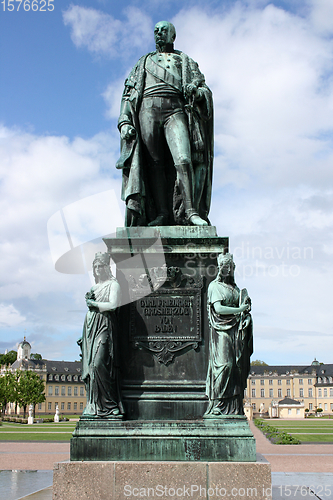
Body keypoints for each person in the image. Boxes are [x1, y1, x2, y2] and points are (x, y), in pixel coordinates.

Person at [116, 21, 213, 227]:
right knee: (154, 163)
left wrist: (197, 92)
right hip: (147, 110)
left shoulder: (185, 61)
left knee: (184, 158)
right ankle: (160, 213)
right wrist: (125, 121)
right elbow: (129, 94)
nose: (159, 34)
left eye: (163, 31)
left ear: (173, 36)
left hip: (176, 109)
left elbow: (205, 91)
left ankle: (191, 212)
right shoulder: (143, 62)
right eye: (156, 31)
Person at [204, 253, 253, 416]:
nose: (229, 271)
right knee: (226, 365)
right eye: (226, 268)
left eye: (231, 268)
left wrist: (246, 318)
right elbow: (218, 309)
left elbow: (244, 311)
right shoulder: (214, 286)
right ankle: (218, 403)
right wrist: (240, 310)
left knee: (236, 368)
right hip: (221, 331)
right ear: (220, 269)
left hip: (236, 331)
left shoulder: (236, 289)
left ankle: (233, 405)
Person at [78, 252, 123, 418]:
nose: (97, 269)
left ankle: (109, 405)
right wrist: (84, 336)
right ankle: (95, 406)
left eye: (100, 266)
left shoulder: (113, 285)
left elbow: (112, 305)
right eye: (95, 267)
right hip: (90, 327)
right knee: (91, 367)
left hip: (104, 326)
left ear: (106, 268)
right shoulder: (94, 288)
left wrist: (94, 304)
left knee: (98, 364)